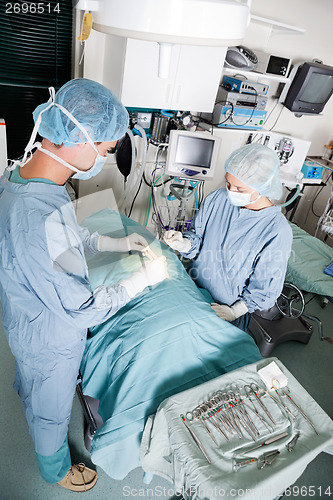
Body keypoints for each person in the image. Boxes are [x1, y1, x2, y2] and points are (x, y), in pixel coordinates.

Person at [0, 78, 168, 492]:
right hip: (50, 334)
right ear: (82, 140)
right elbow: (81, 308)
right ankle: (54, 469)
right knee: (53, 405)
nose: (106, 159)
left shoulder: (23, 177)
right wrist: (140, 281)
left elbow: (65, 229)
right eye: (108, 150)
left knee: (35, 385)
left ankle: (31, 401)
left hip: (25, 314)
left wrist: (111, 241)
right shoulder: (35, 211)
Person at [164, 143, 293, 331]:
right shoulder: (218, 199)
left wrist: (235, 311)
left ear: (263, 187)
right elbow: (198, 240)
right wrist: (184, 243)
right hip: (193, 289)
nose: (231, 191)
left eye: (240, 189)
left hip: (226, 311)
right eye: (228, 183)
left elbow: (265, 288)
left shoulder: (276, 230)